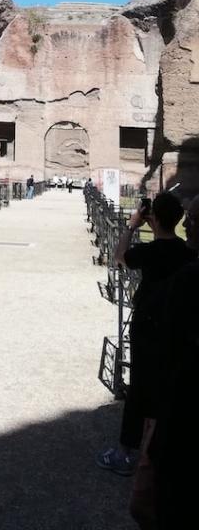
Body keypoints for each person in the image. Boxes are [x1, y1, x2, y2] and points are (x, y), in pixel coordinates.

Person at [96, 192, 194, 477]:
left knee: (139, 388)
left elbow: (119, 257)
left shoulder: (150, 253)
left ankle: (125, 453)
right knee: (168, 385)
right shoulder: (188, 252)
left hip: (148, 325)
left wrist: (131, 226)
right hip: (175, 327)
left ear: (154, 218)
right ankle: (159, 450)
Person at [141, 194, 199, 530]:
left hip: (181, 400)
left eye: (194, 219)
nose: (187, 223)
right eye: (186, 216)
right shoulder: (187, 266)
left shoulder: (189, 279)